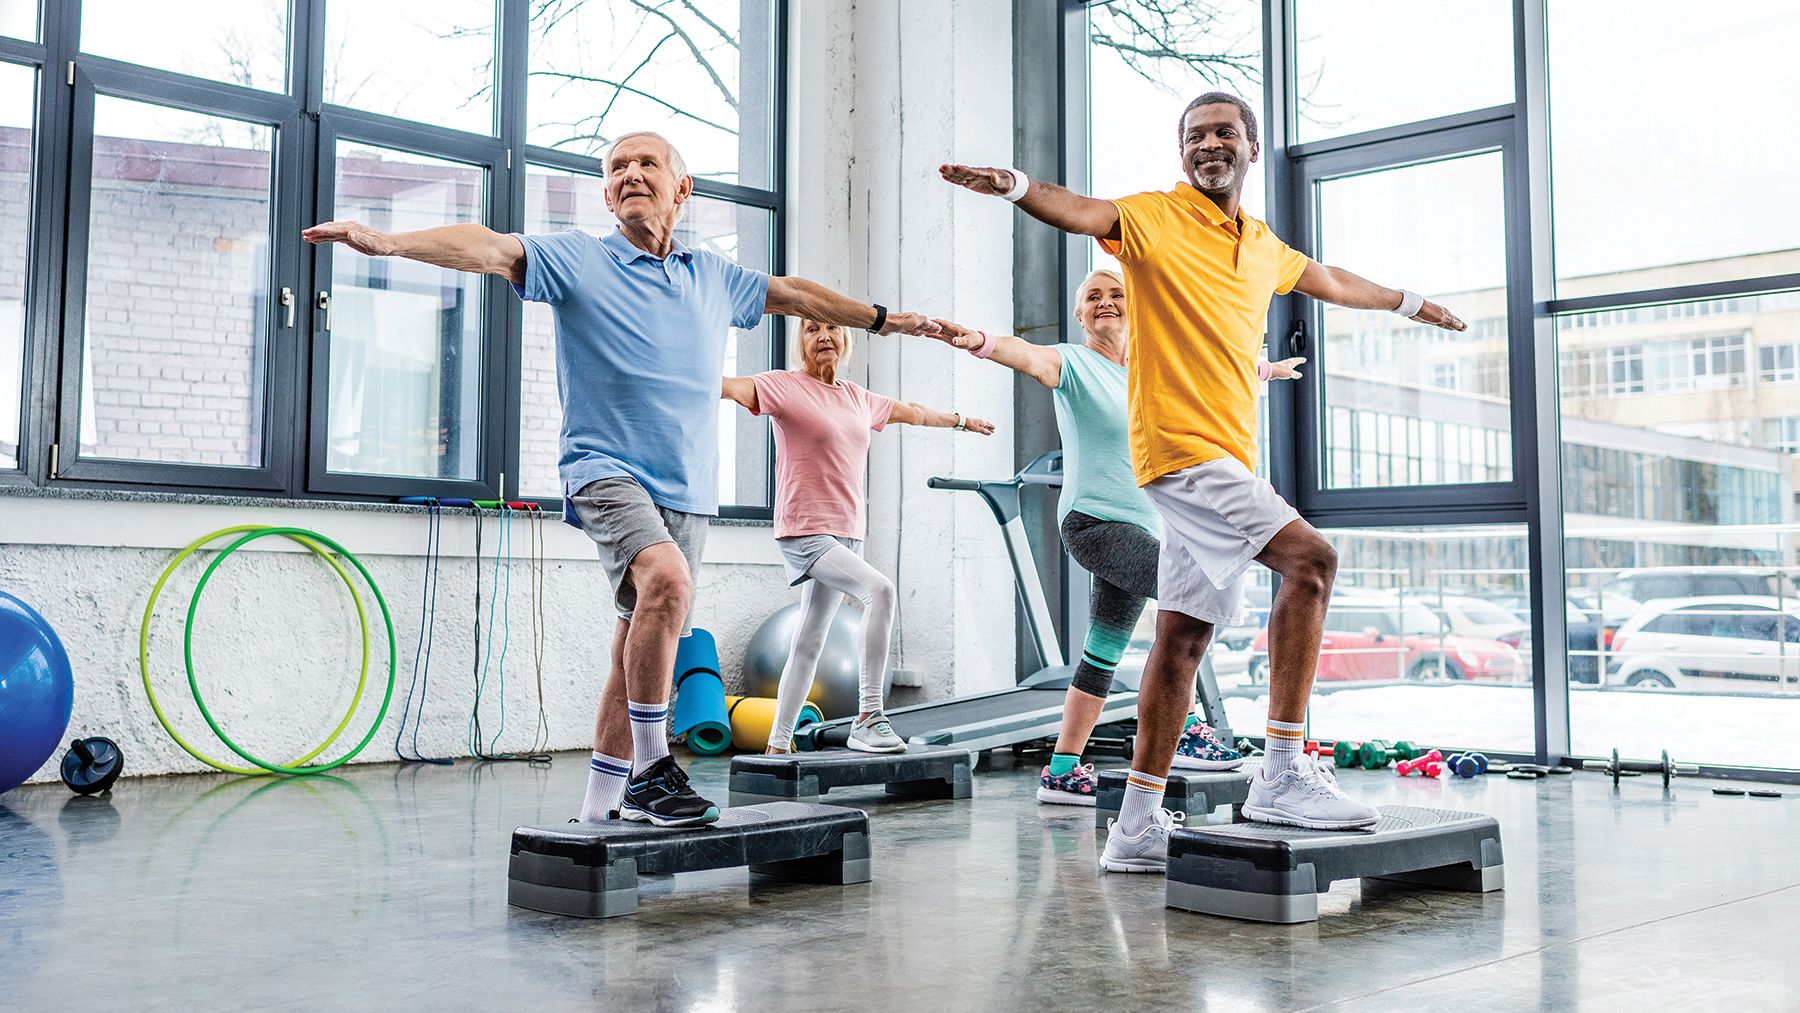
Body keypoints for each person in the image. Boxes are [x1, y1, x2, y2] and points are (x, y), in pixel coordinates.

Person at [306, 131, 942, 828]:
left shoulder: (714, 275)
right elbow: (489, 247)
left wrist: (882, 319)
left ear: (682, 188)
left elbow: (792, 293)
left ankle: (599, 813)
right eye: (617, 168)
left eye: (647, 163)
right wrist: (392, 243)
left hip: (688, 489)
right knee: (668, 581)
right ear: (607, 194)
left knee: (633, 647)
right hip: (604, 470)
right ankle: (651, 772)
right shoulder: (579, 258)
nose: (631, 173)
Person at [941, 91, 1466, 871]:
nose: (1207, 144)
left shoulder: (1261, 245)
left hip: (1222, 456)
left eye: (1223, 132)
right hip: (1184, 452)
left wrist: (1412, 303)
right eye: (1194, 136)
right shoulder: (1154, 217)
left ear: (1250, 147)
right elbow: (1082, 211)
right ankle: (1283, 771)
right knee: (1311, 561)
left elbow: (1327, 277)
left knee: (1181, 638)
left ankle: (1137, 824)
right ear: (1180, 151)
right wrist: (1017, 186)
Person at [929, 271, 1301, 806]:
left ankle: (1060, 770)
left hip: (1143, 526)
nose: (1105, 302)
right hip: (1094, 524)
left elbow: (1211, 371)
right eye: (1093, 298)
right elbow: (1027, 356)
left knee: (1102, 652)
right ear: (1081, 317)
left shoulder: (1151, 374)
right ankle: (1186, 728)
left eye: (1116, 294)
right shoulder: (1073, 363)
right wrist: (982, 342)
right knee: (1190, 602)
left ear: (1135, 309)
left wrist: (1265, 369)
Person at [722, 319, 994, 755]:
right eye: (811, 329)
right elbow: (732, 388)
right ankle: (868, 716)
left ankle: (776, 743)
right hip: (807, 529)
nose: (823, 335)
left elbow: (915, 412)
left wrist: (962, 421)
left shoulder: (857, 398)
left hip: (848, 530)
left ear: (846, 338)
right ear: (802, 342)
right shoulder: (784, 387)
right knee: (880, 591)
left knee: (809, 639)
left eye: (832, 327)